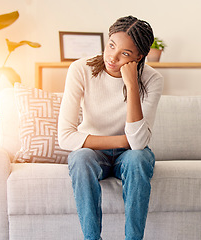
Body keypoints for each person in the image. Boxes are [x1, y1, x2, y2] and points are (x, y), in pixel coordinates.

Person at [58, 16, 164, 240]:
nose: (112, 58)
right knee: (80, 158)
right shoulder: (80, 69)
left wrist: (132, 85)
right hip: (94, 152)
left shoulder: (152, 79)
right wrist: (121, 140)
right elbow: (66, 137)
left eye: (125, 53)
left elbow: (136, 145)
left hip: (129, 155)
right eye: (111, 45)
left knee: (139, 159)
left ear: (139, 56)